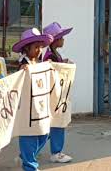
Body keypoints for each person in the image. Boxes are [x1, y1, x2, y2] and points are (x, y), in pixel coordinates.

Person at [12, 28, 53, 171]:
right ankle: (30, 166)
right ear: (26, 48)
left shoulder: (39, 62)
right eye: (36, 47)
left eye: (40, 47)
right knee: (28, 135)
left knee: (45, 132)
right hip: (26, 108)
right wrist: (24, 70)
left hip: (39, 106)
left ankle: (26, 156)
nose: (39, 50)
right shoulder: (24, 64)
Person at [42, 22, 73, 163]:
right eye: (61, 37)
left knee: (50, 126)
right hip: (54, 94)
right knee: (57, 123)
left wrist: (63, 63)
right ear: (55, 40)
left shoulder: (54, 54)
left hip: (55, 94)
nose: (64, 40)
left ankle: (29, 152)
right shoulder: (50, 56)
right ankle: (56, 152)